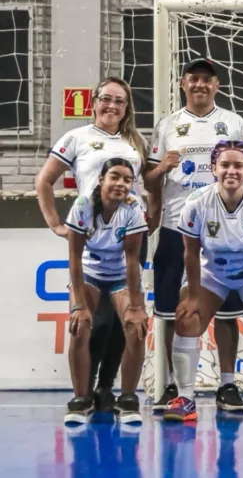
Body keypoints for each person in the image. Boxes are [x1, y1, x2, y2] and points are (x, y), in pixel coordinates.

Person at [35, 76, 151, 420]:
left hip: (127, 238)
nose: (112, 106)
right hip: (91, 243)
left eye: (119, 101)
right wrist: (56, 222)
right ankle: (83, 393)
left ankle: (109, 389)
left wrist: (152, 211)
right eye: (106, 99)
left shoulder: (135, 141)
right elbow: (43, 180)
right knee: (92, 322)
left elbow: (147, 183)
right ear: (94, 102)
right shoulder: (77, 137)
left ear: (127, 107)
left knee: (125, 325)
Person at [146, 59, 243, 413]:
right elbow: (149, 179)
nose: (200, 85)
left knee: (227, 313)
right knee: (168, 312)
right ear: (182, 83)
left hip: (224, 232)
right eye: (193, 79)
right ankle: (171, 385)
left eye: (207, 80)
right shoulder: (168, 125)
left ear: (217, 85)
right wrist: (163, 167)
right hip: (175, 227)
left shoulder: (234, 123)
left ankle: (227, 384)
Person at [163, 140, 243, 423]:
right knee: (187, 317)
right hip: (212, 272)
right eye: (225, 165)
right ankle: (185, 397)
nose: (231, 171)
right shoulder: (196, 203)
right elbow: (191, 252)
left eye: (238, 165)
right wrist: (194, 295)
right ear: (213, 169)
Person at [64, 159, 148, 425]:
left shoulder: (134, 209)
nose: (121, 184)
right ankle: (81, 400)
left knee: (136, 328)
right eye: (115, 177)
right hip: (89, 272)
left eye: (127, 179)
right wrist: (79, 303)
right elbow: (75, 258)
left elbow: (133, 259)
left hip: (120, 274)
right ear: (101, 179)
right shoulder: (83, 205)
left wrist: (136, 306)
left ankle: (127, 398)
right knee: (82, 324)